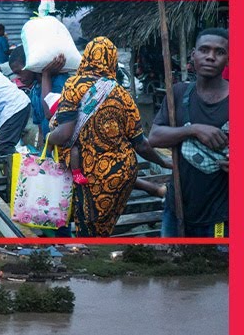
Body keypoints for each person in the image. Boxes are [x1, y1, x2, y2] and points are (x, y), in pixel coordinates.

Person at [48, 37, 172, 237]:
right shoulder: (123, 95)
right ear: (113, 62)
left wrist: (48, 139)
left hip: (90, 177)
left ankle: (91, 262)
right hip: (123, 175)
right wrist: (164, 162)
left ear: (86, 58)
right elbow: (141, 145)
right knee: (103, 229)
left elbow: (64, 134)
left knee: (88, 231)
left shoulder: (74, 85)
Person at [149, 28, 229, 238]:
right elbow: (155, 137)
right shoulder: (179, 93)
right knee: (171, 265)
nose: (210, 57)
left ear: (228, 58)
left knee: (215, 267)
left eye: (219, 52)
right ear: (193, 54)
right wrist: (193, 130)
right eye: (204, 50)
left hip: (220, 216)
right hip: (177, 210)